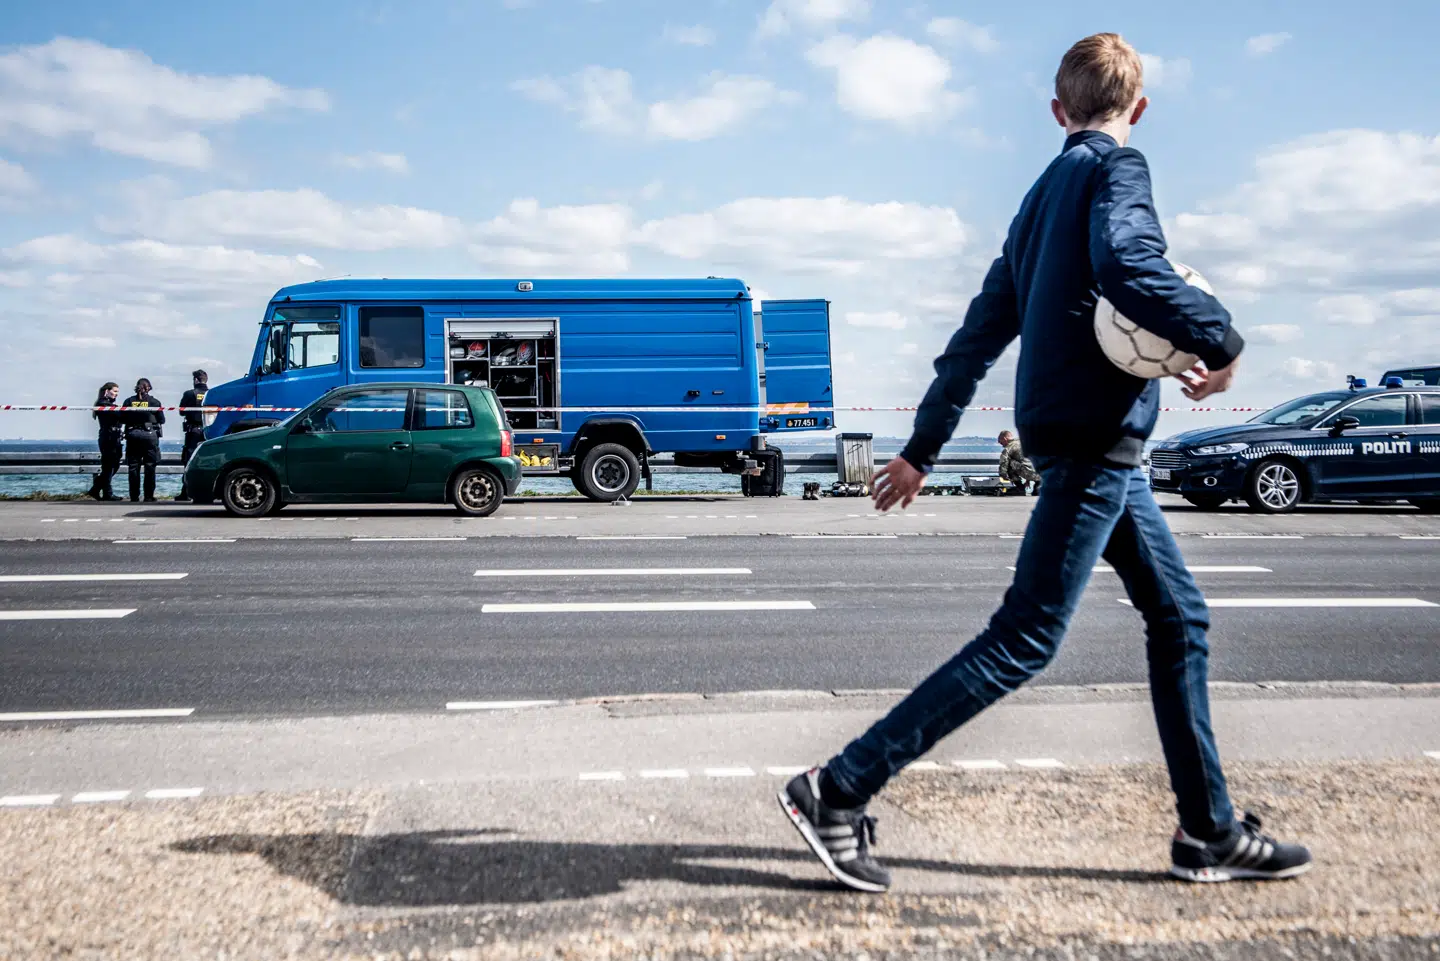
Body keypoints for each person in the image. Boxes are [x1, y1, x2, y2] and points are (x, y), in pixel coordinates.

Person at [777, 33, 1311, 892]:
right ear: (1139, 111)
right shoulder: (1117, 173)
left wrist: (921, 448)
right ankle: (837, 788)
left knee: (1181, 619)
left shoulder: (1034, 203)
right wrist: (1221, 335)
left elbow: (975, 338)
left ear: (1057, 112)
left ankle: (1208, 829)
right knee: (1024, 638)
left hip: (1103, 451)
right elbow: (1131, 265)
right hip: (1097, 447)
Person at [121, 378, 165, 503]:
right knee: (150, 466)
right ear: (149, 388)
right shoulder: (155, 402)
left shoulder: (129, 401)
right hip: (150, 436)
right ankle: (149, 496)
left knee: (133, 467)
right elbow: (161, 420)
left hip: (133, 435)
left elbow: (122, 418)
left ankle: (134, 497)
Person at [86, 382, 124, 501]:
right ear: (107, 391)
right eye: (115, 391)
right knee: (108, 466)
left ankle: (96, 488)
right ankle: (107, 493)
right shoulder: (102, 403)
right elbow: (117, 414)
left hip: (116, 437)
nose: (116, 394)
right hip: (108, 437)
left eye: (118, 392)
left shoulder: (111, 404)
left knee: (115, 464)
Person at [175, 369, 209, 502]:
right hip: (208, 431)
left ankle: (187, 492)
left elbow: (182, 412)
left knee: (188, 461)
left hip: (193, 430)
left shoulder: (189, 394)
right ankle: (205, 493)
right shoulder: (211, 393)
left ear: (195, 380)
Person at [997, 429, 1040, 495]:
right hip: (1039, 473)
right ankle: (1037, 487)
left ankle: (1020, 488)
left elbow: (1003, 462)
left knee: (1009, 462)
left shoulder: (1009, 447)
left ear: (1005, 438)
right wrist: (1027, 479)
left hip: (1029, 473)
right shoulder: (1024, 442)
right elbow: (1028, 461)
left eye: (1000, 441)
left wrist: (1003, 475)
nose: (1000, 443)